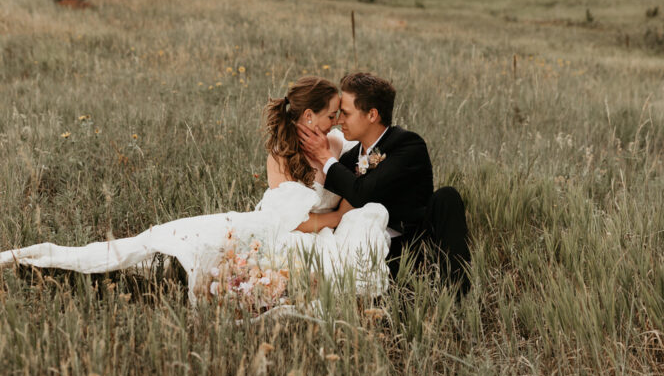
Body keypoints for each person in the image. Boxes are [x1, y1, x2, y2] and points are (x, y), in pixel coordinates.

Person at [0, 77, 390, 303]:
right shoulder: (280, 153)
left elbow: (357, 188)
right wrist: (334, 216)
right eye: (332, 112)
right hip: (282, 228)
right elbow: (291, 218)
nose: (338, 118)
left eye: (341, 112)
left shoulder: (338, 144)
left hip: (314, 237)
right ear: (309, 116)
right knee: (182, 235)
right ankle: (62, 263)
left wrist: (338, 214)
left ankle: (160, 275)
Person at [298, 71, 470, 292]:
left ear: (372, 115)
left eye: (346, 114)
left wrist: (324, 157)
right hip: (368, 250)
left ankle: (457, 291)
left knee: (448, 196)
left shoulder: (408, 146)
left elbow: (363, 193)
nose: (339, 121)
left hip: (414, 249)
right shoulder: (350, 158)